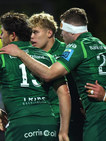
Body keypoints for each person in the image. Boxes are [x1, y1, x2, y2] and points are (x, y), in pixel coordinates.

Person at [0, 8, 106, 141]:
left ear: (69, 31)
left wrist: (21, 54)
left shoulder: (75, 47)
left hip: (98, 117)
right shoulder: (101, 44)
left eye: (62, 31)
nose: (62, 35)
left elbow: (49, 74)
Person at [0, 11, 71, 141]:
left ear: (12, 36)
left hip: (20, 126)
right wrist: (63, 131)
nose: (0, 37)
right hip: (48, 124)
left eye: (2, 32)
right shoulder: (47, 56)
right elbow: (64, 93)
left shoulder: (1, 57)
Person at [28, 12, 84, 141]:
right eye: (30, 33)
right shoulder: (31, 56)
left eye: (35, 32)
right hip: (43, 119)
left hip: (72, 118)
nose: (31, 37)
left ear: (49, 33)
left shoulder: (68, 50)